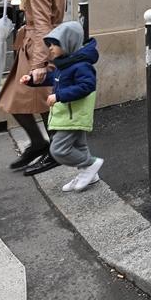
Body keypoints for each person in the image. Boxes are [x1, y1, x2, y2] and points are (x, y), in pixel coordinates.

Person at [0, 0, 66, 175]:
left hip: (38, 50)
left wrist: (40, 63)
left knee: (38, 101)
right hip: (42, 47)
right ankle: (42, 145)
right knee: (21, 99)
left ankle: (52, 149)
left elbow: (42, 26)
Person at [23, 21, 103, 192]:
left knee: (58, 150)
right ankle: (90, 174)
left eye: (54, 44)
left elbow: (87, 86)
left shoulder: (81, 65)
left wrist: (59, 96)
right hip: (70, 114)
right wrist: (32, 81)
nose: (50, 48)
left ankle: (90, 164)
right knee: (80, 146)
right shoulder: (65, 63)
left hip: (73, 115)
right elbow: (54, 79)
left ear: (68, 43)